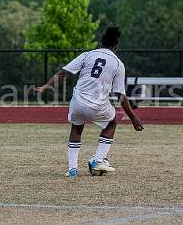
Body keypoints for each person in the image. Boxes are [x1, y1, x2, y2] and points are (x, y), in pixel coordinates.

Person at [34, 27, 143, 180]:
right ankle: (98, 159)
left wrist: (45, 86)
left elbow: (63, 72)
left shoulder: (87, 55)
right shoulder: (118, 64)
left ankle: (72, 169)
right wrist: (133, 118)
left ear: (100, 43)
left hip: (77, 101)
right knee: (111, 123)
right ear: (115, 47)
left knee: (77, 129)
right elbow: (120, 95)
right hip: (97, 105)